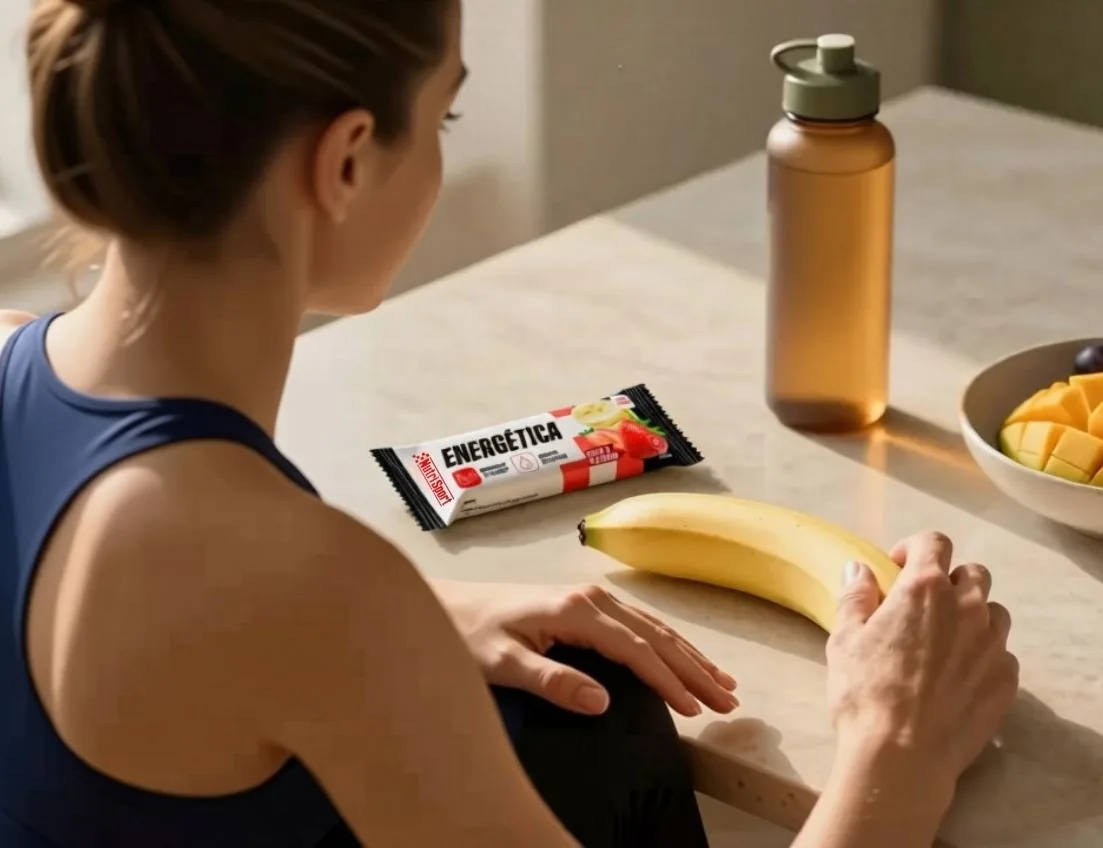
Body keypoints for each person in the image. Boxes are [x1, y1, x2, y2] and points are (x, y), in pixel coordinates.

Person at [0, 0, 1020, 845]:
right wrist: (895, 744)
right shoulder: (294, 580)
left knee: (587, 713)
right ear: (347, 159)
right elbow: (244, 590)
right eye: (441, 118)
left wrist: (415, 614)